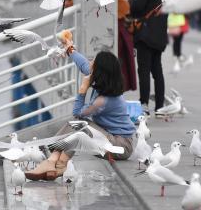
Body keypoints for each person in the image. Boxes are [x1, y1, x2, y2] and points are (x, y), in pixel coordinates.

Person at [25, 50, 136, 181]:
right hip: (111, 138)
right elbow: (83, 64)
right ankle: (56, 164)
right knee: (77, 126)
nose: (89, 63)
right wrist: (69, 49)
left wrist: (82, 90)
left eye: (93, 62)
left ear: (99, 71)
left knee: (80, 124)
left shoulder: (103, 101)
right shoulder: (106, 84)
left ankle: (53, 162)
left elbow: (77, 112)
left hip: (120, 146)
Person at [70, 0, 137, 95]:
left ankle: (113, 90)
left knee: (115, 55)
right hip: (110, 15)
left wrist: (68, 3)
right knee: (116, 56)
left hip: (116, 15)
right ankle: (114, 89)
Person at [128, 0, 168, 114]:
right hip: (159, 31)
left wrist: (125, 3)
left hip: (146, 32)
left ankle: (144, 104)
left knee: (144, 69)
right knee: (156, 69)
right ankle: (159, 106)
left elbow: (139, 5)